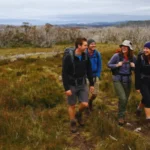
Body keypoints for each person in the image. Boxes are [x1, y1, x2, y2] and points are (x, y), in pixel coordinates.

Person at [62, 37, 94, 133]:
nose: (86, 47)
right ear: (79, 46)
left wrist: (91, 84)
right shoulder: (69, 57)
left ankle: (79, 114)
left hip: (82, 83)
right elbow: (64, 73)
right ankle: (73, 122)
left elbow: (89, 70)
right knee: (72, 105)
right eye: (85, 45)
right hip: (72, 84)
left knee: (85, 104)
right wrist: (66, 88)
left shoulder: (85, 56)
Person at [108, 40, 136, 126]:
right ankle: (121, 117)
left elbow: (138, 68)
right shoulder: (116, 56)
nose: (123, 47)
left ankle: (121, 113)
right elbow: (109, 64)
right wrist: (117, 65)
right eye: (122, 46)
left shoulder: (133, 57)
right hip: (117, 79)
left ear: (129, 48)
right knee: (123, 98)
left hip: (128, 80)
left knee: (125, 99)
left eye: (125, 46)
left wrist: (134, 66)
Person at [135, 42, 150, 125]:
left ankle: (139, 109)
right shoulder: (140, 58)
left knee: (146, 98)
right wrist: (137, 86)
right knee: (148, 100)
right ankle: (148, 120)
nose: (145, 50)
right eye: (144, 48)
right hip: (143, 81)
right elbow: (137, 72)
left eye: (147, 48)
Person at [85, 39, 102, 112]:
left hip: (95, 76)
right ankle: (86, 108)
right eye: (91, 44)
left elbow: (99, 65)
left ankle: (90, 101)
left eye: (94, 44)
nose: (93, 45)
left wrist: (98, 75)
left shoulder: (97, 54)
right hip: (86, 76)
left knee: (95, 94)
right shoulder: (84, 54)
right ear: (88, 45)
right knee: (86, 93)